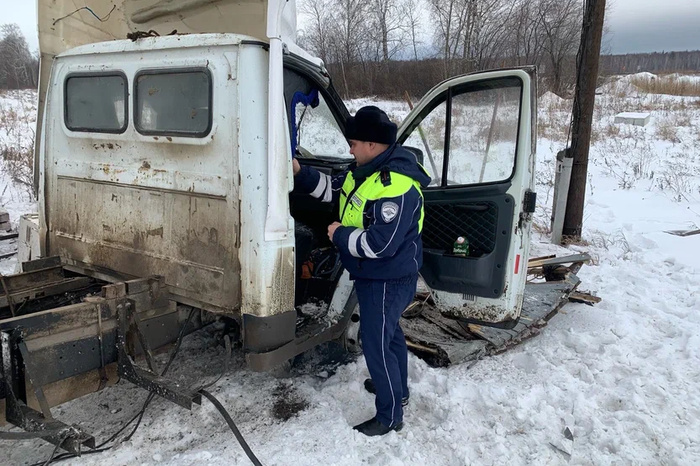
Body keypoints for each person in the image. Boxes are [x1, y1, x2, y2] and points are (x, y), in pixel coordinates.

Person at [292, 106, 430, 436]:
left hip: (387, 278)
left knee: (376, 343)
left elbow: (381, 244)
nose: (349, 150)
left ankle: (390, 415)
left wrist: (338, 234)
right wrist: (299, 171)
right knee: (390, 334)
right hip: (375, 276)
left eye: (353, 143)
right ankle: (400, 391)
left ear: (371, 144)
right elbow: (332, 189)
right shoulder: (363, 172)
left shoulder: (395, 187)